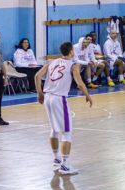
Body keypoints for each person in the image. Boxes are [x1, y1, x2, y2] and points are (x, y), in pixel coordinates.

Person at [35, 42, 93, 175]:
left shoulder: (52, 62)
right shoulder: (73, 65)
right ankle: (65, 166)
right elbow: (79, 82)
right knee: (67, 132)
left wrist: (39, 93)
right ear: (71, 51)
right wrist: (87, 95)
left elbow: (37, 76)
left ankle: (56, 160)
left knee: (54, 129)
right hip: (59, 99)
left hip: (48, 97)